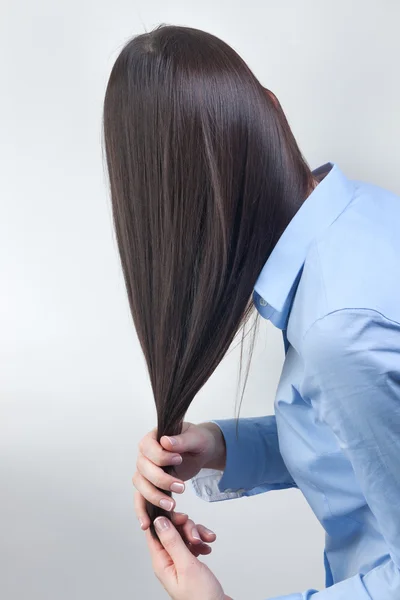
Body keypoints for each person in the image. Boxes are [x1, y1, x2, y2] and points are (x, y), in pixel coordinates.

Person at [104, 24, 400, 600]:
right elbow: (370, 441)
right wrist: (219, 447)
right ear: (270, 110)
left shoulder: (338, 329)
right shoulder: (368, 216)